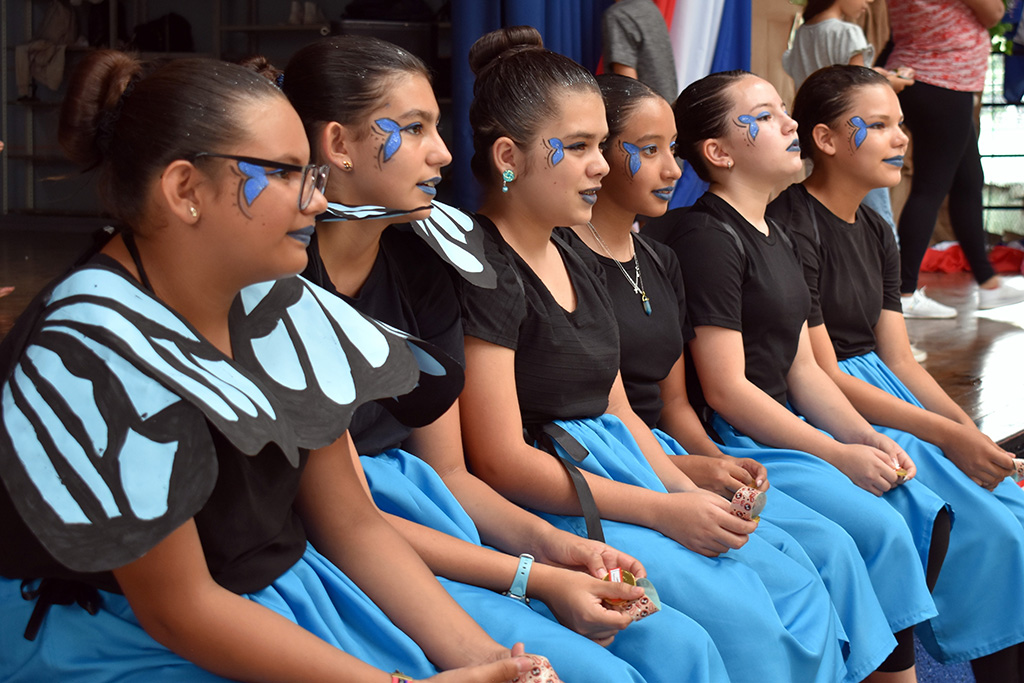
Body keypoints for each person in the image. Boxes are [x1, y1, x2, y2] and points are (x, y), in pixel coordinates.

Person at [0, 50, 536, 682]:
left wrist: (488, 660)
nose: (315, 200)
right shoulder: (88, 349)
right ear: (185, 189)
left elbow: (353, 523)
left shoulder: (282, 302)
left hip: (271, 599)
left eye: (308, 173)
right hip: (113, 636)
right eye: (283, 174)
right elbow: (181, 609)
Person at [280, 35, 723, 682]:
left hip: (439, 515)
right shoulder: (286, 287)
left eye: (436, 125)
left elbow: (450, 473)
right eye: (412, 128)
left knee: (676, 640)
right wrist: (537, 571)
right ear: (338, 146)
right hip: (361, 545)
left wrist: (563, 550)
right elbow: (350, 519)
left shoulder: (429, 263)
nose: (442, 152)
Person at [457, 26, 849, 683]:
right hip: (557, 493)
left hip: (623, 469)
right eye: (580, 147)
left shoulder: (571, 254)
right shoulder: (484, 267)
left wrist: (683, 484)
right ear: (508, 156)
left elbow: (623, 412)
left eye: (599, 147)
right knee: (739, 614)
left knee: (787, 574)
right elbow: (499, 459)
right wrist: (666, 507)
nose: (602, 167)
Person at [568, 72, 897, 682]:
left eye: (672, 148)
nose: (672, 168)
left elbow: (673, 405)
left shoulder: (660, 259)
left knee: (815, 554)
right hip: (608, 460)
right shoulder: (579, 257)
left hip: (664, 448)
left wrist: (710, 460)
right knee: (763, 594)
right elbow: (629, 407)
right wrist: (688, 480)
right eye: (649, 150)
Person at [645, 69, 954, 682]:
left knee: (913, 506)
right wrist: (837, 455)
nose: (788, 124)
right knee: (873, 532)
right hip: (744, 440)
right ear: (718, 152)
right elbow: (730, 390)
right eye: (763, 116)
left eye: (781, 109)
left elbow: (809, 372)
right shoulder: (711, 237)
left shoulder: (778, 234)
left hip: (784, 428)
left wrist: (862, 439)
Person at [768, 63, 1024, 681]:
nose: (902, 138)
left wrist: (970, 432)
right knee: (990, 530)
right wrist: (943, 435)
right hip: (836, 406)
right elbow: (823, 373)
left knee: (1012, 510)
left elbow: (900, 358)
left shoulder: (880, 229)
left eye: (900, 124)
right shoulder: (792, 226)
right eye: (878, 125)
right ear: (824, 139)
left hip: (886, 388)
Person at [886, 0, 1024, 316]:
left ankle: (987, 282)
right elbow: (994, 13)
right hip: (945, 82)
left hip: (918, 75)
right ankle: (903, 294)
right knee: (930, 188)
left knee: (968, 180)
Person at [782, 0, 913, 235]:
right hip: (856, 141)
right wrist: (888, 82)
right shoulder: (847, 32)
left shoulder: (802, 34)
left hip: (817, 141)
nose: (869, 2)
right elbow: (860, 88)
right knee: (880, 222)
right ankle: (890, 270)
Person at [602, 0, 678, 102]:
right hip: (666, 107)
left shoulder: (619, 15)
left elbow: (628, 87)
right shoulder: (650, 7)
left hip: (644, 110)